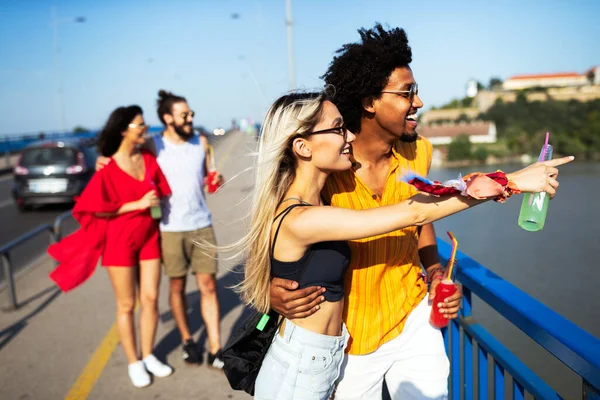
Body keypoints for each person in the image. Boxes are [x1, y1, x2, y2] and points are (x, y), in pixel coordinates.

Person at [267, 24, 572, 399]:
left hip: (412, 317)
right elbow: (281, 234)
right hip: (350, 338)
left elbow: (422, 217)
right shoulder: (327, 168)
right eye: (407, 92)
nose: (419, 101)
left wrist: (433, 268)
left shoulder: (418, 151)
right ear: (369, 102)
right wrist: (271, 291)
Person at [96, 90, 225, 368]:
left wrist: (217, 180)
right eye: (184, 115)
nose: (190, 118)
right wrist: (102, 161)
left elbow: (208, 179)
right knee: (176, 287)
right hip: (168, 228)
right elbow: (123, 156)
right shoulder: (154, 145)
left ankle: (216, 347)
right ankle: (188, 339)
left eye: (191, 114)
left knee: (208, 286)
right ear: (168, 118)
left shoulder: (201, 142)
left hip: (201, 224)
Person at [48, 105, 173, 388]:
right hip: (120, 243)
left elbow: (164, 189)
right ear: (123, 130)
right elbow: (94, 208)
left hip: (150, 237)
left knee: (152, 299)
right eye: (139, 125)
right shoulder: (108, 167)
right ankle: (133, 361)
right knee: (127, 304)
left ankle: (149, 353)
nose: (144, 128)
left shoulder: (148, 159)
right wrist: (137, 204)